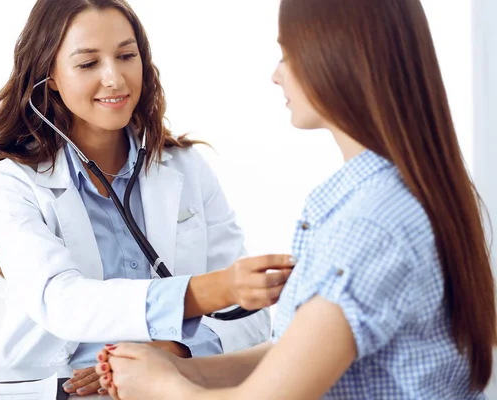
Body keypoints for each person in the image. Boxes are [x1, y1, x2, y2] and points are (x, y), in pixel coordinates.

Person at [94, 0, 497, 398]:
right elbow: (296, 354)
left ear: (338, 59)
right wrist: (185, 370)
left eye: (288, 55)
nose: (275, 74)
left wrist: (163, 388)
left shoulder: (369, 226)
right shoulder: (396, 193)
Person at [0, 0, 295, 394]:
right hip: (56, 386)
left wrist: (172, 353)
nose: (114, 78)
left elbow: (248, 317)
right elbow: (59, 300)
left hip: (168, 383)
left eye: (125, 56)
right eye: (87, 64)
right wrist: (207, 292)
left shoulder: (185, 167)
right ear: (49, 76)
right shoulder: (11, 183)